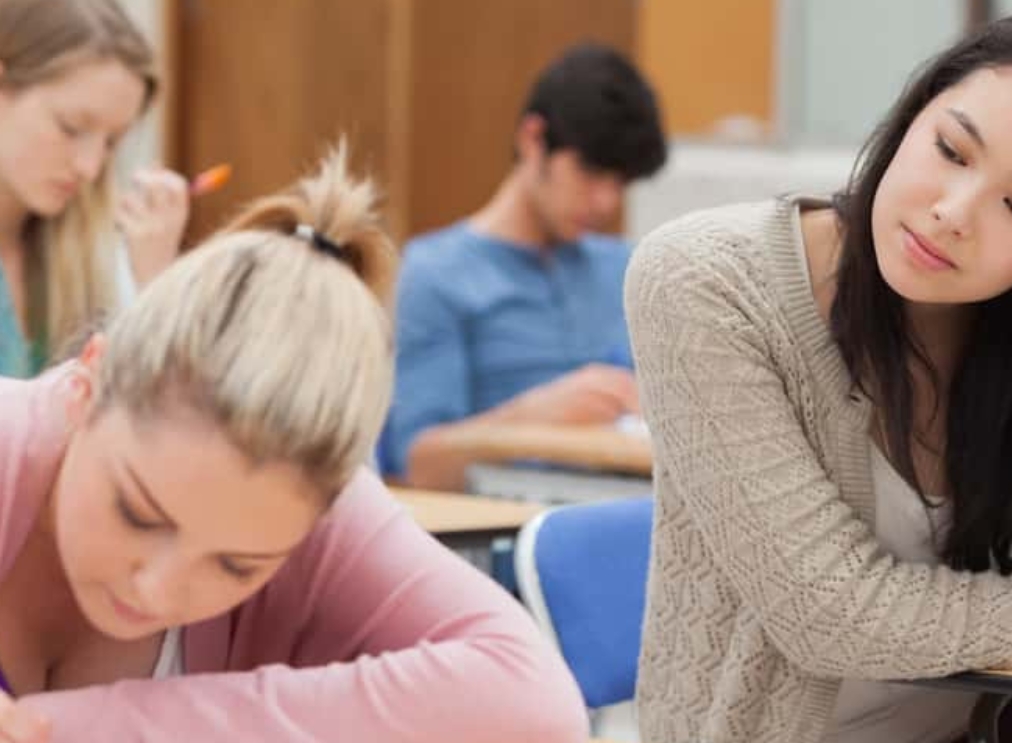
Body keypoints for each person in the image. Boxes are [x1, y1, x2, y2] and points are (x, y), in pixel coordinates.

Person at [624, 8, 1012, 743]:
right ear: (912, 114)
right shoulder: (707, 283)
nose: (952, 213)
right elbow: (830, 613)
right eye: (951, 149)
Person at [0, 146, 587, 743]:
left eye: (236, 566)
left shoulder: (314, 501)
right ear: (89, 382)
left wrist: (65, 727)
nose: (156, 588)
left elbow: (535, 704)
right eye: (137, 514)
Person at [379, 42, 668, 489]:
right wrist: (533, 417)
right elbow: (417, 465)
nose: (606, 202)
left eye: (620, 183)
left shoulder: (624, 267)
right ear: (534, 140)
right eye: (591, 173)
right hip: (501, 518)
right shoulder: (435, 273)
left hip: (629, 503)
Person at [0, 0, 190, 379]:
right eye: (71, 128)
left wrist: (155, 284)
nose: (89, 168)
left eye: (111, 143)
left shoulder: (102, 258)